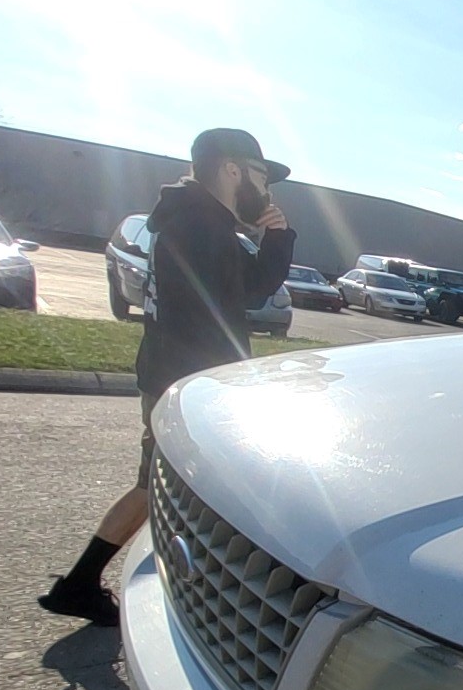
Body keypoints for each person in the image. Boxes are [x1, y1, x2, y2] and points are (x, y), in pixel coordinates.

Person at [39, 128, 296, 625]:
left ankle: (85, 583)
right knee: (196, 490)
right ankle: (180, 598)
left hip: (171, 374)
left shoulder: (188, 218)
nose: (267, 192)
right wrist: (280, 237)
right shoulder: (204, 226)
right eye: (263, 177)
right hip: (190, 384)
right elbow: (254, 290)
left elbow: (239, 289)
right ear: (233, 170)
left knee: (163, 485)